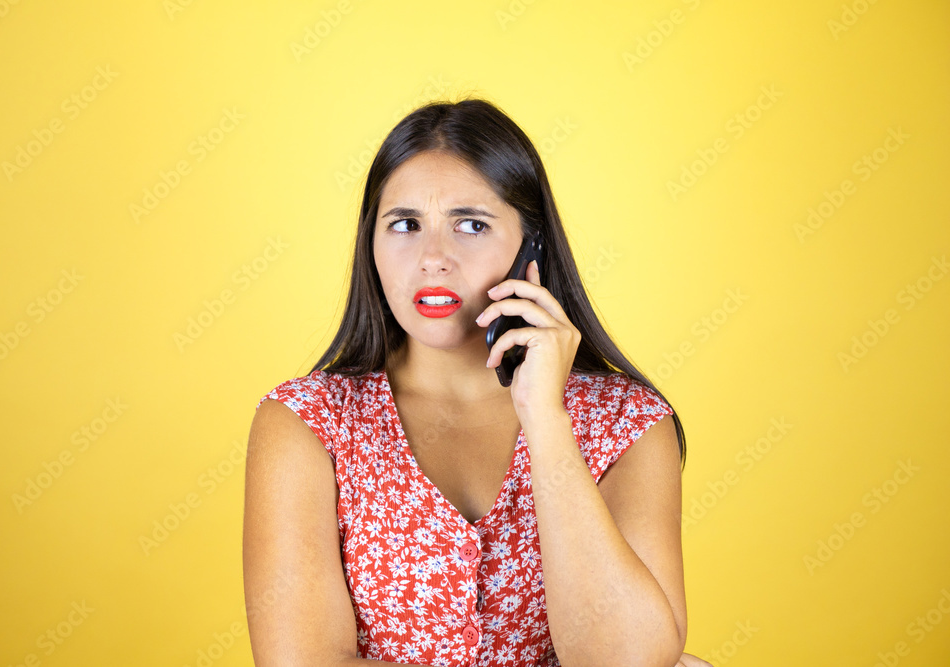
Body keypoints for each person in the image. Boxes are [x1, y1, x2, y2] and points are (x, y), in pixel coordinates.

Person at [243, 98, 711, 667]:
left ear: (531, 247)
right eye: (405, 225)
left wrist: (545, 418)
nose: (433, 258)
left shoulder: (626, 422)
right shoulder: (306, 423)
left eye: (471, 225)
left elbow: (630, 660)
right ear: (371, 244)